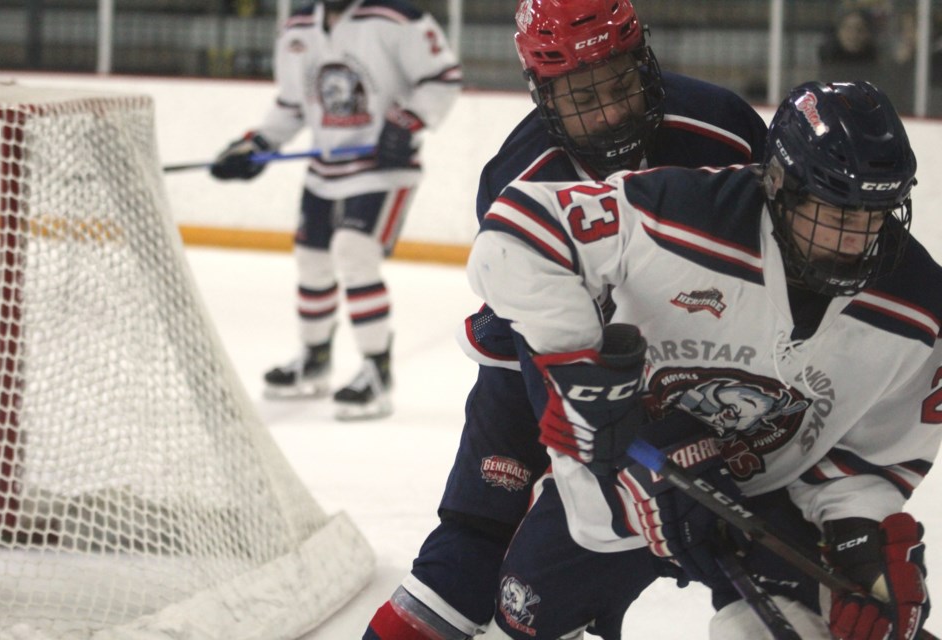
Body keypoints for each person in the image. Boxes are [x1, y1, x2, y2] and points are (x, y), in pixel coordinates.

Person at [466, 80, 938, 639]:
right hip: (619, 482)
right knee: (519, 623)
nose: (858, 238)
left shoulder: (918, 313)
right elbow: (513, 235)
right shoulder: (682, 210)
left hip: (759, 507)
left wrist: (863, 541)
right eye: (836, 213)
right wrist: (580, 368)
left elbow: (873, 460)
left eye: (876, 214)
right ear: (781, 184)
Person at [363, 0, 768, 637]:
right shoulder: (516, 177)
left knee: (751, 565)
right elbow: (539, 331)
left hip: (700, 376)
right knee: (475, 537)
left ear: (646, 61)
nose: (609, 112)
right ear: (542, 93)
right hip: (549, 366)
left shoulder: (723, 130)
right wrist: (586, 430)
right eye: (582, 96)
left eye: (619, 83)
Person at [210, 0, 461, 420]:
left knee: (353, 252)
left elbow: (442, 78)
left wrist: (408, 122)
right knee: (312, 261)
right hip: (323, 170)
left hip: (382, 170)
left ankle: (376, 371)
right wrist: (256, 145)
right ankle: (315, 358)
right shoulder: (297, 30)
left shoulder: (397, 20)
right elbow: (292, 106)